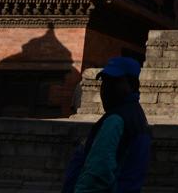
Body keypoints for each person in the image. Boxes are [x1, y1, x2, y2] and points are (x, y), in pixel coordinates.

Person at [62, 56, 152, 193]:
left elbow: (97, 173)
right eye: (105, 81)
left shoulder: (116, 120)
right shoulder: (136, 115)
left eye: (114, 82)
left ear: (131, 85)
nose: (105, 89)